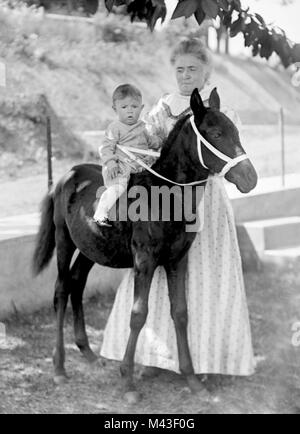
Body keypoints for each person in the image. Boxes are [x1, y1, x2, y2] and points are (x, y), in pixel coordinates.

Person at [100, 38, 255, 379]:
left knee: (208, 278)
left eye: (193, 69)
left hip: (208, 200)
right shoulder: (162, 108)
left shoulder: (220, 111)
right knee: (155, 275)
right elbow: (150, 148)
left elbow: (226, 152)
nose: (186, 76)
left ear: (206, 71)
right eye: (180, 69)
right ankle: (156, 356)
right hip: (167, 203)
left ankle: (212, 358)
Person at [93, 83, 160, 226]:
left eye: (134, 107)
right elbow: (106, 147)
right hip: (121, 168)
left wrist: (161, 141)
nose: (130, 111)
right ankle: (100, 213)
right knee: (119, 187)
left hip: (142, 165)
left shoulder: (142, 127)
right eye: (124, 107)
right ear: (115, 109)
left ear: (141, 108)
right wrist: (111, 163)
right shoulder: (115, 128)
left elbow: (152, 142)